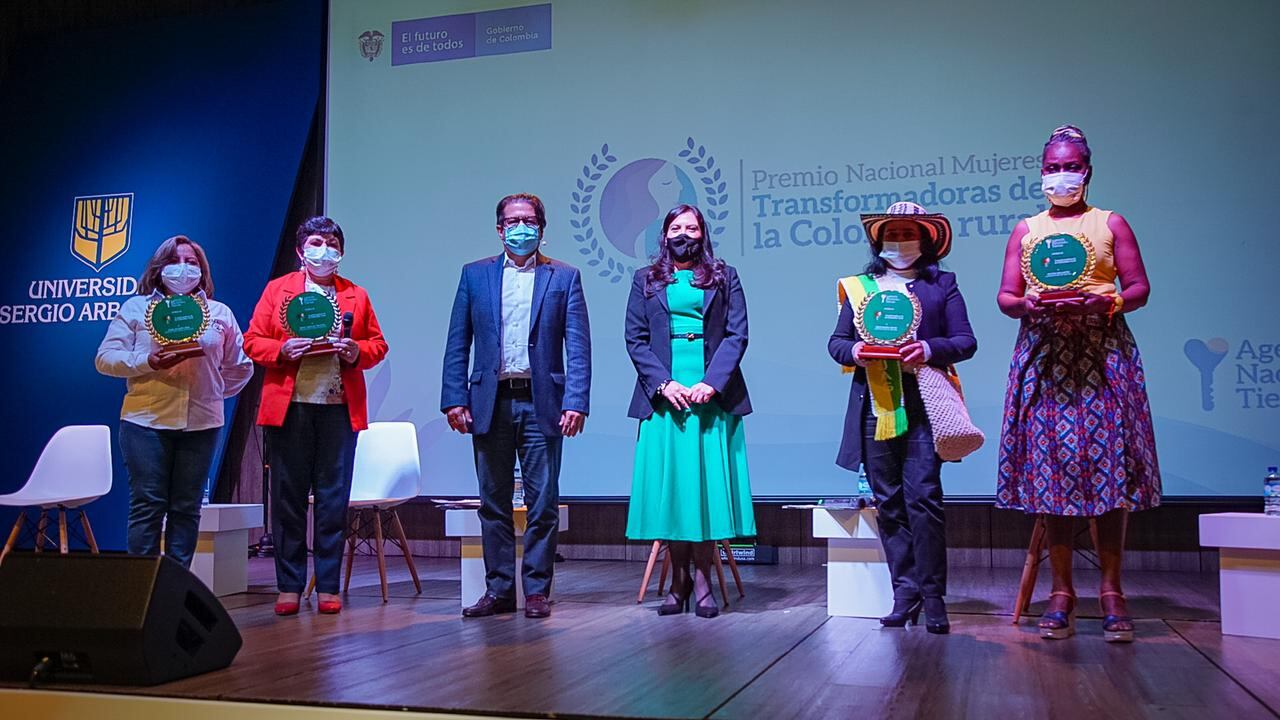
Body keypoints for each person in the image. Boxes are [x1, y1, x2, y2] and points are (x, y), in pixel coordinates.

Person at [996, 125, 1160, 643]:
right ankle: (1061, 592)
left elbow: (1139, 287)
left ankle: (1112, 591)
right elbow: (1006, 297)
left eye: (1070, 166)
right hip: (1045, 356)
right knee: (1052, 474)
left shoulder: (1110, 223)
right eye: (1052, 167)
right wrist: (1027, 305)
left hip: (1102, 355)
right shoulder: (1027, 230)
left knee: (1111, 471)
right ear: (1041, 172)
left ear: (1087, 171)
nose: (1060, 176)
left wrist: (1108, 301)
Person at [828, 201, 976, 634]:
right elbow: (837, 343)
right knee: (889, 502)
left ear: (926, 240)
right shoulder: (860, 288)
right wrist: (856, 350)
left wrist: (928, 349)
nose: (899, 241)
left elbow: (965, 340)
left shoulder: (942, 285)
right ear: (878, 241)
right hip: (875, 405)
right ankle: (904, 593)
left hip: (923, 403)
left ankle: (933, 597)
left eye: (908, 233)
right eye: (891, 234)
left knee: (924, 499)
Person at [441, 193, 591, 619]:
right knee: (493, 502)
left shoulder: (564, 276)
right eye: (512, 221)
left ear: (542, 228)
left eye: (529, 221)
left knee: (543, 503)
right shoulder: (474, 275)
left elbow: (578, 346)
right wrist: (454, 397)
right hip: (490, 402)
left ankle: (538, 591)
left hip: (543, 402)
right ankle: (500, 590)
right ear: (499, 228)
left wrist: (576, 401)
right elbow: (458, 341)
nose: (521, 228)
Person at [243, 216, 388, 616]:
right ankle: (289, 586)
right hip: (289, 408)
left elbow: (377, 344)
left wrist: (356, 351)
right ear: (300, 250)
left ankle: (328, 586)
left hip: (338, 409)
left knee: (332, 502)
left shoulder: (355, 294)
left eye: (332, 244)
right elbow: (252, 340)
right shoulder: (278, 290)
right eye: (316, 243)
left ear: (341, 252)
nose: (324, 250)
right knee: (287, 501)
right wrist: (281, 350)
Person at [625, 204, 755, 619]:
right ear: (664, 235)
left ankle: (702, 582)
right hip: (664, 397)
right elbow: (635, 339)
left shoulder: (725, 276)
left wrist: (710, 383)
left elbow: (737, 334)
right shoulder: (645, 280)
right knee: (675, 493)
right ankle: (677, 582)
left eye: (692, 228)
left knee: (704, 493)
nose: (684, 234)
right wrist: (664, 384)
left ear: (703, 234)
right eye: (677, 227)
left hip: (711, 396)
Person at [95, 235, 253, 568]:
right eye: (174, 261)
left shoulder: (219, 313)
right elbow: (105, 359)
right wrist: (146, 361)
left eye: (191, 262)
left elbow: (241, 366)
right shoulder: (136, 308)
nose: (183, 269)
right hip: (144, 422)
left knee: (186, 507)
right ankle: (141, 585)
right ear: (159, 268)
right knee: (148, 504)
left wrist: (212, 391)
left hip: (202, 423)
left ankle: (175, 585)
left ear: (202, 270)